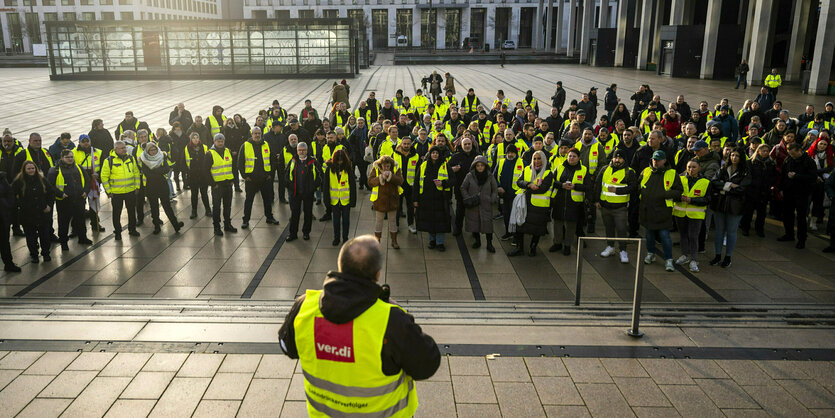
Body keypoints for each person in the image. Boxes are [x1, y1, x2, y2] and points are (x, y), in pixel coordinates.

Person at [278, 234, 439, 417]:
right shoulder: (392, 321)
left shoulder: (304, 307)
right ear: (377, 274)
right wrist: (400, 314)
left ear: (341, 265)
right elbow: (428, 364)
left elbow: (286, 347)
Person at [639, 149, 683, 272]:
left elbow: (679, 191)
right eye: (654, 159)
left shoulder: (672, 173)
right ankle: (650, 253)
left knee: (664, 236)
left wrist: (664, 194)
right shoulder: (646, 171)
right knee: (649, 235)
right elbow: (639, 185)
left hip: (663, 211)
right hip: (647, 209)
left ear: (664, 160)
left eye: (658, 160)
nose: (655, 162)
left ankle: (669, 259)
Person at [593, 149, 636, 263]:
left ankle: (623, 250)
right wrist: (596, 200)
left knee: (621, 229)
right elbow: (598, 185)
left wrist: (618, 190)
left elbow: (633, 188)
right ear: (612, 158)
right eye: (615, 157)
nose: (617, 160)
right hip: (605, 206)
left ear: (624, 159)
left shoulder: (629, 171)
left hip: (620, 207)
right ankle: (610, 246)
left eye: (620, 158)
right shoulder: (604, 169)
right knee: (609, 228)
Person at [709, 149, 750, 268]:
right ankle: (717, 255)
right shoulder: (723, 168)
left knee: (731, 232)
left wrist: (723, 188)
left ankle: (728, 257)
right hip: (720, 204)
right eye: (732, 155)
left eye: (737, 155)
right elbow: (714, 182)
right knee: (719, 231)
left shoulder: (745, 172)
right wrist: (730, 185)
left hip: (736, 206)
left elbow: (742, 189)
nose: (734, 157)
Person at [508, 150, 553, 257]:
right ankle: (519, 248)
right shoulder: (527, 169)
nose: (536, 161)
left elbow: (543, 189)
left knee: (537, 229)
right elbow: (519, 182)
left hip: (539, 206)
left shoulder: (548, 173)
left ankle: (533, 248)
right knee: (520, 226)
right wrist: (528, 184)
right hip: (525, 204)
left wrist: (529, 188)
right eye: (534, 158)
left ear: (543, 159)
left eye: (539, 158)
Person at [47, 150, 91, 251]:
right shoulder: (55, 170)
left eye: (71, 157)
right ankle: (64, 243)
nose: (70, 159)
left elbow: (87, 180)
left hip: (79, 199)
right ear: (62, 158)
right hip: (64, 201)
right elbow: (50, 186)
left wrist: (85, 191)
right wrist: (61, 194)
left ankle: (82, 238)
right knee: (63, 223)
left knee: (80, 220)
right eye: (67, 157)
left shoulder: (79, 167)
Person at [238, 126, 279, 229]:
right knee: (249, 200)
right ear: (251, 134)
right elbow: (240, 162)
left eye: (258, 133)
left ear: (261, 134)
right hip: (251, 179)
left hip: (265, 179)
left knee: (267, 200)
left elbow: (273, 160)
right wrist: (245, 176)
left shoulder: (266, 145)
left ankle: (269, 217)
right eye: (255, 133)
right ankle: (246, 220)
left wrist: (270, 174)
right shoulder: (245, 145)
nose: (257, 135)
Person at [548, 148, 587, 256]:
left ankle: (567, 245)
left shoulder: (583, 170)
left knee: (571, 225)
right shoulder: (560, 167)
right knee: (557, 223)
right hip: (559, 199)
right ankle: (557, 243)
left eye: (574, 156)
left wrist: (575, 186)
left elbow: (587, 186)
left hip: (574, 202)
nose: (571, 158)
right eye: (570, 156)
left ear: (578, 158)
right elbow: (551, 181)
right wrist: (561, 185)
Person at [139, 142, 184, 235]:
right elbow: (147, 173)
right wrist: (159, 172)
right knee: (154, 208)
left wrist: (155, 171)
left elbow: (167, 169)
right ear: (147, 151)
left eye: (155, 149)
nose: (154, 151)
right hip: (151, 186)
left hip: (162, 185)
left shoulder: (162, 156)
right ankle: (156, 226)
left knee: (167, 206)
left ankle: (176, 225)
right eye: (151, 150)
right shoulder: (144, 159)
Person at [13, 161, 52, 264]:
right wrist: (20, 205)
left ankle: (46, 253)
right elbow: (12, 195)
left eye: (33, 168)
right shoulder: (19, 181)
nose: (31, 170)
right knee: (31, 237)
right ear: (24, 170)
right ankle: (34, 254)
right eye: (29, 169)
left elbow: (51, 192)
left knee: (45, 235)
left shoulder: (42, 179)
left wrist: (49, 205)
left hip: (42, 212)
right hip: (27, 214)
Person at [778, 143, 816, 249]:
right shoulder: (788, 159)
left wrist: (797, 176)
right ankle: (789, 234)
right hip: (788, 191)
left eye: (794, 154)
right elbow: (783, 174)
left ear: (800, 150)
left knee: (801, 217)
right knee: (787, 214)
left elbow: (812, 177)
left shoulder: (809, 161)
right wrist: (781, 188)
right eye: (790, 154)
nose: (792, 156)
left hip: (802, 193)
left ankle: (801, 239)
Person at [101, 141, 141, 241]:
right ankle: (118, 232)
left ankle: (132, 229)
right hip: (116, 193)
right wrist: (108, 191)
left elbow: (136, 173)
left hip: (130, 191)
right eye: (121, 148)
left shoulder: (131, 158)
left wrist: (137, 187)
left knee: (132, 211)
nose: (124, 150)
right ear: (115, 149)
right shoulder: (109, 160)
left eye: (125, 148)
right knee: (116, 213)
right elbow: (104, 177)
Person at [414, 147, 451, 251]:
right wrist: (415, 200)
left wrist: (443, 183)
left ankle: (440, 242)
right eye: (433, 153)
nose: (435, 155)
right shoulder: (424, 165)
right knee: (429, 220)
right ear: (430, 154)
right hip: (426, 198)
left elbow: (453, 180)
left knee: (440, 221)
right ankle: (432, 240)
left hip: (440, 198)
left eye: (437, 153)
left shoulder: (445, 165)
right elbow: (417, 182)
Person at [461, 155, 498, 252]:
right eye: (478, 165)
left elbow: (495, 189)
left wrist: (492, 199)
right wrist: (468, 198)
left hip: (486, 204)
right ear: (475, 166)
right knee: (474, 224)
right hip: (473, 204)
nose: (480, 167)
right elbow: (463, 188)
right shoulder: (469, 176)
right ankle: (477, 241)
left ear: (485, 166)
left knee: (488, 225)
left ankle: (489, 243)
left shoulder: (490, 176)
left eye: (482, 165)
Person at [286, 142, 321, 241]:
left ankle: (306, 233)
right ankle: (292, 234)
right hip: (296, 193)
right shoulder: (293, 161)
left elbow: (319, 176)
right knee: (294, 214)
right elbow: (286, 175)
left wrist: (313, 188)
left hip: (308, 194)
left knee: (308, 214)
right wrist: (290, 187)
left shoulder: (313, 161)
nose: (301, 152)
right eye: (299, 150)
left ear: (307, 151)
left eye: (303, 150)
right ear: (297, 151)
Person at [740, 144, 777, 237]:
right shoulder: (751, 162)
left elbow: (773, 176)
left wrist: (769, 184)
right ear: (758, 151)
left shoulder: (771, 163)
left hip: (764, 192)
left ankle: (759, 229)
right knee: (748, 211)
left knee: (761, 213)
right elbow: (747, 176)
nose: (765, 153)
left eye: (767, 151)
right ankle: (745, 228)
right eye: (763, 151)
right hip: (752, 191)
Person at [323, 149, 356, 246]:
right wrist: (326, 200)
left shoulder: (348, 169)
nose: (339, 162)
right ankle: (336, 238)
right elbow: (325, 186)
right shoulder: (329, 169)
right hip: (334, 200)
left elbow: (352, 186)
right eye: (338, 160)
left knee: (346, 220)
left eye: (341, 160)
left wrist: (353, 200)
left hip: (346, 200)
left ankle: (345, 238)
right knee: (336, 221)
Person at [205, 133, 237, 237]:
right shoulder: (210, 154)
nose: (220, 143)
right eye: (218, 141)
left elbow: (232, 166)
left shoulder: (228, 151)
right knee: (217, 207)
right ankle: (217, 227)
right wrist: (213, 184)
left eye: (222, 141)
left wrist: (233, 180)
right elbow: (205, 171)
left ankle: (227, 224)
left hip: (228, 184)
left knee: (227, 206)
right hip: (217, 186)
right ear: (214, 142)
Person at [72, 134, 105, 233]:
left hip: (94, 182)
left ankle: (95, 224)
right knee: (78, 207)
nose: (86, 143)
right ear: (79, 142)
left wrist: (98, 176)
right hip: (79, 184)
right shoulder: (73, 152)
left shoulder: (98, 152)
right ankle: (75, 227)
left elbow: (104, 167)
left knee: (93, 205)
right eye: (83, 141)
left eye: (87, 141)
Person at [449, 137, 478, 236]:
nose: (467, 146)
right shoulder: (456, 156)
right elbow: (447, 169)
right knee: (460, 210)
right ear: (461, 145)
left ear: (472, 144)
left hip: (474, 188)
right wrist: (453, 169)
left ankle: (474, 231)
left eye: (469, 144)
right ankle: (458, 228)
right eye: (465, 144)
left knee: (474, 211)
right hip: (460, 187)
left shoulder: (477, 156)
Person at [393, 136, 419, 233]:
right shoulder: (394, 154)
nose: (406, 145)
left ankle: (410, 224)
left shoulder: (415, 155)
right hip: (398, 184)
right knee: (397, 206)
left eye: (408, 144)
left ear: (411, 144)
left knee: (410, 206)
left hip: (410, 185)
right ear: (401, 144)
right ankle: (396, 225)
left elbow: (418, 171)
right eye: (404, 144)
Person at [808, 136, 833, 231]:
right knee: (807, 202)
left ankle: (813, 222)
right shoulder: (809, 153)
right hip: (810, 181)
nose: (822, 146)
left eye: (825, 144)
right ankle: (805, 218)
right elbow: (808, 168)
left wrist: (817, 172)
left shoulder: (830, 156)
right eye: (821, 143)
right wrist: (816, 174)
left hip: (822, 183)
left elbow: (830, 168)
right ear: (817, 144)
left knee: (818, 203)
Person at [184, 132, 212, 219]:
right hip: (193, 175)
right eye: (194, 138)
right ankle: (194, 211)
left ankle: (208, 210)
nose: (196, 139)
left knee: (204, 194)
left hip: (203, 174)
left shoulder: (204, 147)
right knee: (194, 194)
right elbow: (184, 161)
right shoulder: (187, 148)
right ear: (191, 139)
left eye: (197, 137)